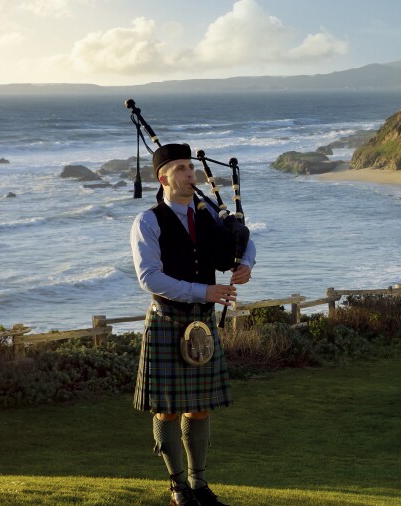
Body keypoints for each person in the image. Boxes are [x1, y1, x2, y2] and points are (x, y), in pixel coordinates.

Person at [130, 143, 256, 506]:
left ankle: (200, 485)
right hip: (168, 321)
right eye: (183, 168)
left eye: (191, 167)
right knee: (167, 409)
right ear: (164, 177)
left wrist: (245, 264)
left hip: (200, 322)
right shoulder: (148, 221)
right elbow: (149, 278)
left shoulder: (207, 216)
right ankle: (177, 485)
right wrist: (205, 291)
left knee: (199, 407)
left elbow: (243, 239)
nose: (192, 174)